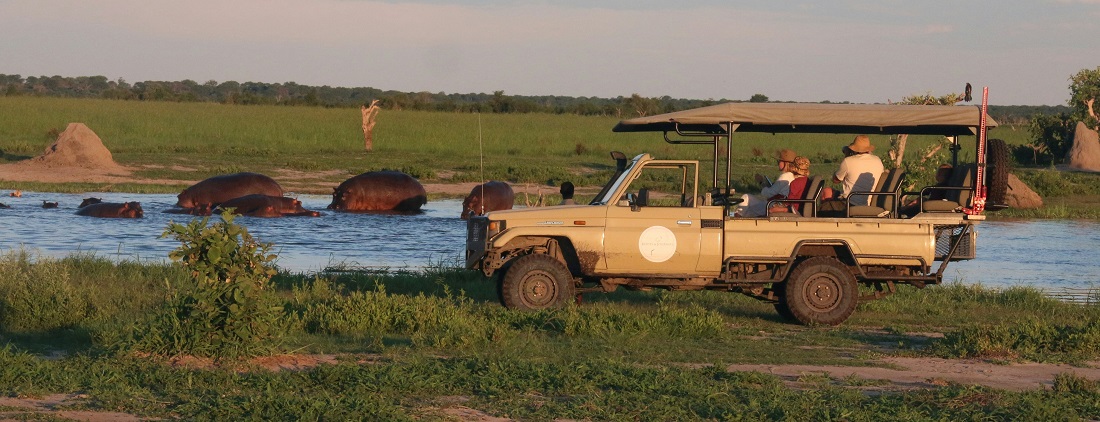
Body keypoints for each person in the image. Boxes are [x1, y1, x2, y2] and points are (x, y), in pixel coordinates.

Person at [736, 148, 797, 217]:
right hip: (778, 203)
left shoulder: (785, 176)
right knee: (749, 209)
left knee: (746, 197)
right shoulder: (792, 176)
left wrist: (762, 182)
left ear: (786, 163)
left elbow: (767, 194)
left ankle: (735, 220)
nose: (778, 163)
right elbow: (775, 190)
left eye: (779, 161)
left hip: (773, 205)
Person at [830, 135, 885, 206]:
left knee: (826, 194)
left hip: (850, 202)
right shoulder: (877, 160)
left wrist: (847, 155)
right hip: (870, 203)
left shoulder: (848, 161)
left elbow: (836, 180)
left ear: (854, 149)